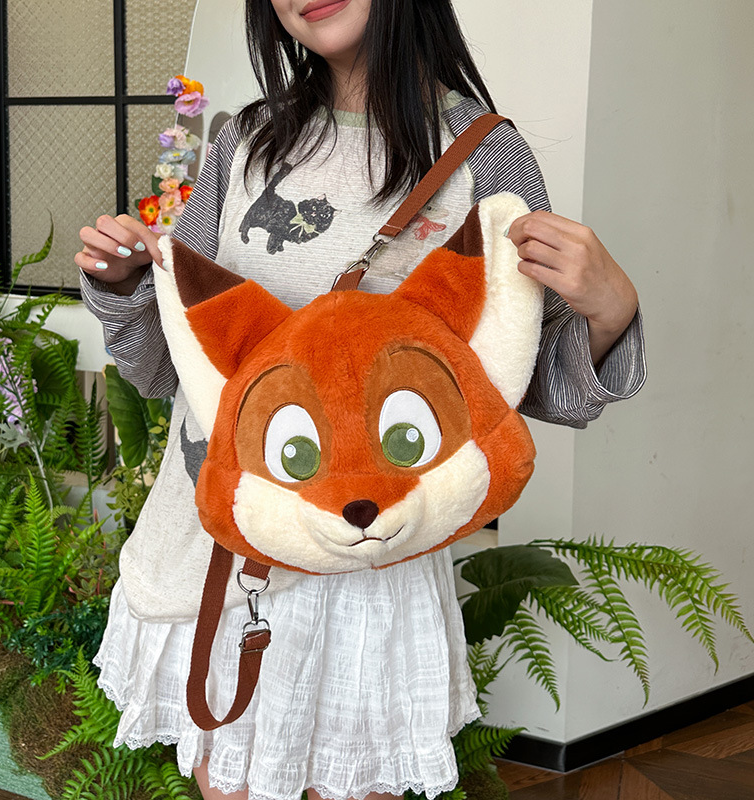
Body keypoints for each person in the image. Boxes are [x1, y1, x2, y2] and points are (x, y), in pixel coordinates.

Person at [77, 1, 645, 798]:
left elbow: (513, 383)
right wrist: (125, 287)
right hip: (226, 544)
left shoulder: (485, 155)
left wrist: (610, 308)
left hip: (369, 554)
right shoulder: (244, 141)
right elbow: (179, 374)